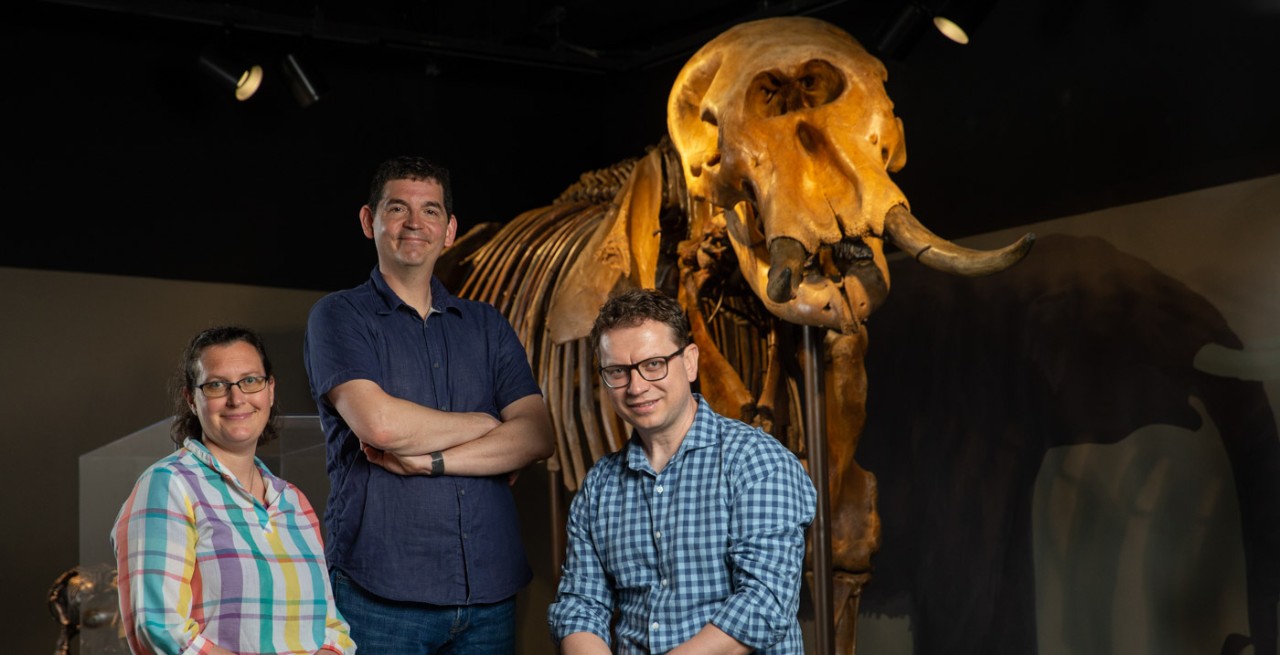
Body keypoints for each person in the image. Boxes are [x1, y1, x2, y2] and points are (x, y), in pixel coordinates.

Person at [303, 155, 555, 653]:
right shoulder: (339, 316)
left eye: (431, 211)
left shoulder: (487, 325)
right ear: (368, 220)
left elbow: (537, 435)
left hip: (489, 592)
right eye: (397, 208)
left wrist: (434, 461)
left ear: (450, 229)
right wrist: (487, 424)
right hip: (381, 595)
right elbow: (381, 425)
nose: (415, 223)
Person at [548, 289, 818, 654]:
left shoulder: (756, 461)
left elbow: (763, 604)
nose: (637, 386)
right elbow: (581, 606)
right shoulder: (599, 487)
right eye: (618, 372)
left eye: (654, 364)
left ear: (690, 362)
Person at [112, 325, 356, 655]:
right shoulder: (169, 484)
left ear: (270, 390)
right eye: (216, 385)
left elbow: (332, 629)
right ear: (192, 399)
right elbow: (160, 628)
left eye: (250, 381)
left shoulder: (293, 501)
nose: (236, 397)